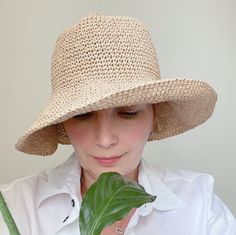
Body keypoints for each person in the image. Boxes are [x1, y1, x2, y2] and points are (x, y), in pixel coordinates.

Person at [0, 12, 235, 235]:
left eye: (128, 113)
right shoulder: (15, 208)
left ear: (154, 116)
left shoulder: (199, 205)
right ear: (63, 123)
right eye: (83, 115)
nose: (105, 140)